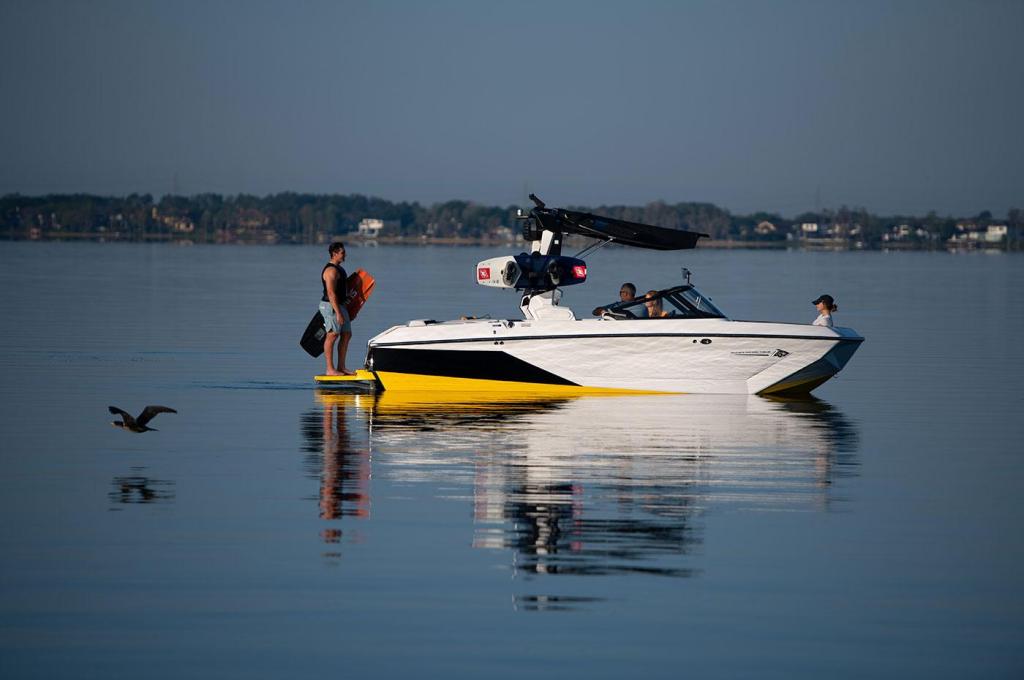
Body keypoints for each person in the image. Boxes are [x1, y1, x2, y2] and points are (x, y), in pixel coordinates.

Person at [320, 242, 355, 375]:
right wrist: (339, 313)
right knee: (332, 334)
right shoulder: (331, 271)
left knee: (346, 334)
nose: (345, 254)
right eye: (342, 252)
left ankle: (341, 367)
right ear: (334, 254)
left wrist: (348, 311)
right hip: (330, 305)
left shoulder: (340, 269)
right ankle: (330, 369)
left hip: (340, 306)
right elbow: (331, 293)